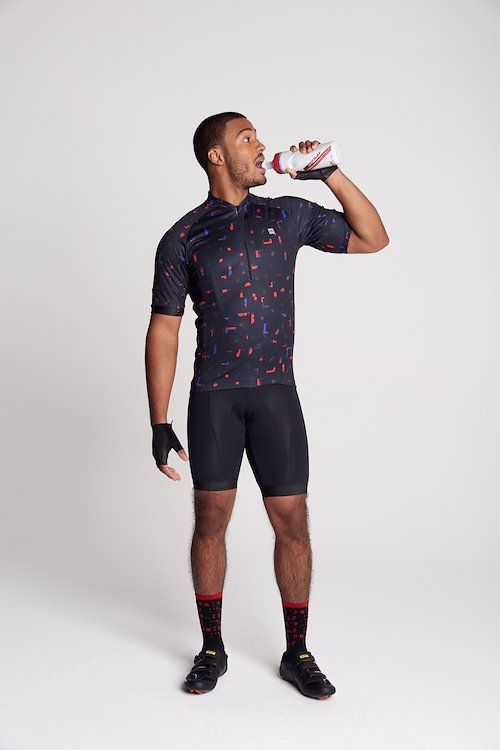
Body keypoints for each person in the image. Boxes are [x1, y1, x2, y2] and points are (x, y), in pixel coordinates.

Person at [145, 112, 389, 699]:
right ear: (216, 156)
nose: (262, 146)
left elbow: (372, 237)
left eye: (258, 135)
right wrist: (159, 420)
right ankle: (211, 648)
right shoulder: (182, 237)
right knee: (211, 520)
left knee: (292, 522)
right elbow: (164, 329)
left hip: (276, 395)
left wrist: (329, 174)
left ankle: (297, 652)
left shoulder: (287, 214)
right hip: (214, 399)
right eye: (246, 138)